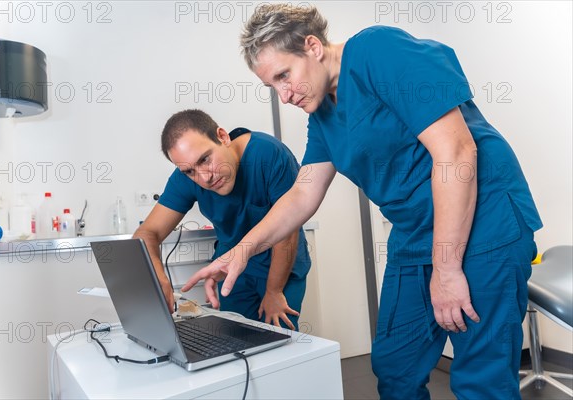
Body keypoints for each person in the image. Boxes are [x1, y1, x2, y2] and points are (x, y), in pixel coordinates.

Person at [181, 4, 543, 399]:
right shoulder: (322, 115)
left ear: (313, 46)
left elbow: (456, 152)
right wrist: (241, 252)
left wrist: (447, 268)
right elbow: (303, 192)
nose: (284, 95)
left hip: (485, 223)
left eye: (284, 75)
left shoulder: (378, 51)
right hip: (415, 235)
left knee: (481, 379)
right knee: (396, 369)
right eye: (273, 86)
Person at [133, 109, 311, 330]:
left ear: (223, 136)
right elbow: (147, 233)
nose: (204, 177)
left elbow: (287, 229)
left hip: (280, 264)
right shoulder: (187, 176)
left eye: (206, 159)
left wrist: (273, 291)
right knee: (236, 343)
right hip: (232, 271)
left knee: (278, 340)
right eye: (189, 171)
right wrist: (158, 277)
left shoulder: (269, 154)